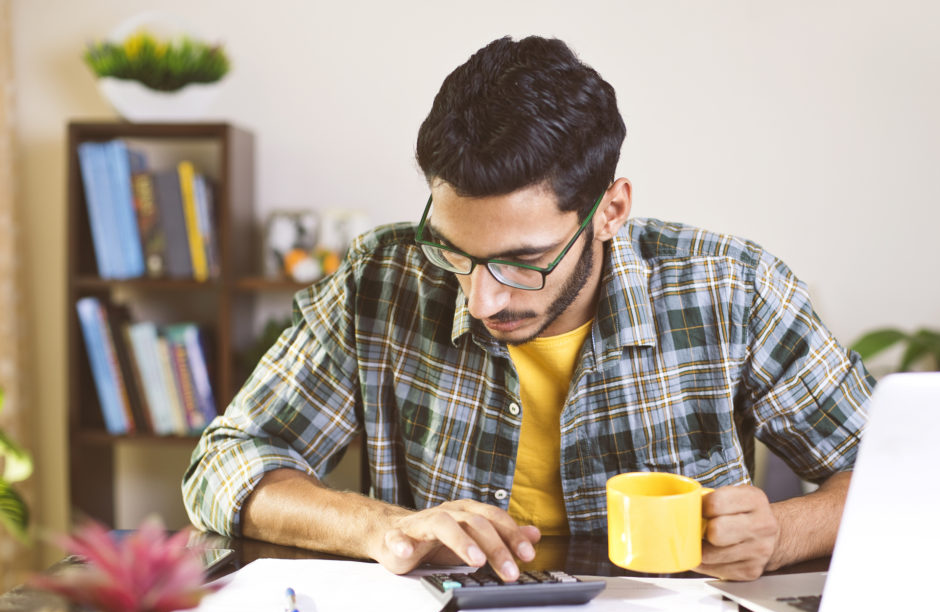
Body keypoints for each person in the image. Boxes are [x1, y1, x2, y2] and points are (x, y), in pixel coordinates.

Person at [183, 36, 874, 583]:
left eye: (522, 261)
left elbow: (895, 470)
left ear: (610, 210)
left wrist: (783, 533)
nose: (482, 299)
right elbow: (224, 465)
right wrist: (383, 528)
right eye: (453, 250)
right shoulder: (380, 281)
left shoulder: (732, 289)